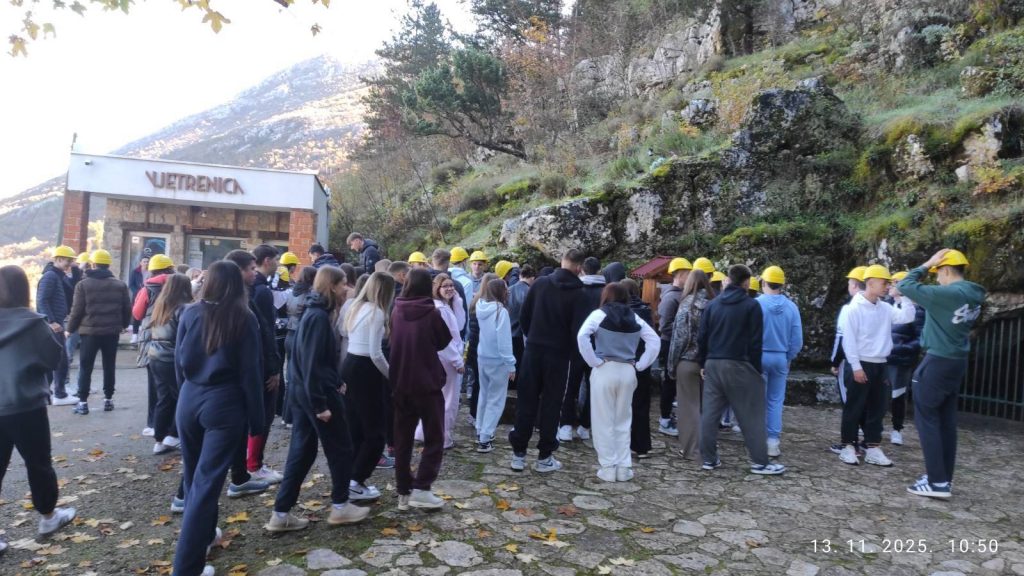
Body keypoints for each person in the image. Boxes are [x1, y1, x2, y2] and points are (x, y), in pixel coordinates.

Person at [173, 261, 265, 576]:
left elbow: (178, 362)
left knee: (194, 477)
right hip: (224, 404)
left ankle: (204, 536)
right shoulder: (244, 317)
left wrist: (184, 396)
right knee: (205, 484)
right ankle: (187, 568)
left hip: (190, 398)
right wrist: (257, 419)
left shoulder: (190, 313)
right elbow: (251, 373)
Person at [267, 266, 370, 532]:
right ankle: (340, 506)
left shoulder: (316, 313)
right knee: (341, 448)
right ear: (332, 286)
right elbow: (310, 363)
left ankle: (281, 513)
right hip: (316, 395)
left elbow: (317, 361)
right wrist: (320, 404)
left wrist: (336, 380)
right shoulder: (317, 317)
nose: (347, 289)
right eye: (343, 284)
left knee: (302, 452)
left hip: (306, 393)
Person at [0, 265, 78, 554]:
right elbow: (52, 359)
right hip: (26, 406)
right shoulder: (34, 324)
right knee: (38, 463)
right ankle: (48, 517)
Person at [899, 249, 985, 499]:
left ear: (946, 270)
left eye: (938, 273)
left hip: (937, 360)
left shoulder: (946, 294)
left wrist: (927, 263)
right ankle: (944, 478)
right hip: (956, 361)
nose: (936, 278)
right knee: (946, 421)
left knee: (926, 419)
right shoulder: (974, 294)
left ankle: (936, 482)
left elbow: (905, 284)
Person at [697, 265, 786, 475]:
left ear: (728, 279)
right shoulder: (751, 306)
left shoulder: (712, 305)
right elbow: (755, 342)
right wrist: (755, 369)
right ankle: (760, 462)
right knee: (751, 415)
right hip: (740, 364)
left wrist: (703, 363)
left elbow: (702, 337)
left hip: (713, 363)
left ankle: (709, 459)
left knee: (709, 414)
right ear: (746, 282)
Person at [509, 249, 592, 473]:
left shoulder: (540, 284)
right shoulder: (581, 295)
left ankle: (518, 453)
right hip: (559, 355)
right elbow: (579, 332)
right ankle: (545, 456)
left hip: (533, 350)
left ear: (562, 261)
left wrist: (534, 338)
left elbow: (524, 317)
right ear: (579, 268)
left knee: (526, 401)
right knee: (552, 404)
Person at [577, 282, 660, 482]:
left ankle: (608, 467)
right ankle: (624, 467)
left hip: (605, 369)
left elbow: (582, 335)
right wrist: (640, 365)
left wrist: (594, 361)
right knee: (623, 420)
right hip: (628, 371)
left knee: (603, 421)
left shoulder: (599, 314)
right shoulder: (635, 317)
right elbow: (654, 341)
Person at [837, 264, 916, 467]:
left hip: (880, 364)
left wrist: (904, 296)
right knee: (854, 407)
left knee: (878, 408)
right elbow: (849, 340)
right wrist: (856, 367)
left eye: (889, 283)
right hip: (860, 363)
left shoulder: (885, 307)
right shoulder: (853, 309)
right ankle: (848, 446)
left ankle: (873, 447)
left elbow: (907, 316)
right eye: (884, 282)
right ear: (870, 283)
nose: (887, 286)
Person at [389, 268, 454, 510]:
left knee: (403, 439)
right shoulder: (432, 313)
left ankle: (403, 489)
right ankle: (422, 487)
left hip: (401, 382)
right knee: (435, 436)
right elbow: (443, 341)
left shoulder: (396, 310)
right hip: (427, 382)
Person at [342, 271, 395, 502]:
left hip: (350, 365)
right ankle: (356, 480)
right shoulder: (377, 312)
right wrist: (392, 376)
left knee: (355, 426)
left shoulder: (355, 307)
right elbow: (375, 353)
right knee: (375, 431)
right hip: (366, 370)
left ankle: (351, 477)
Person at [66, 250, 132, 416]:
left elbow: (77, 311)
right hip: (111, 332)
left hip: (89, 333)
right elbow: (127, 308)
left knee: (85, 367)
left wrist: (70, 329)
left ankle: (83, 402)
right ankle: (108, 399)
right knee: (109, 365)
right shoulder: (120, 285)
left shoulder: (83, 285)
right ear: (108, 265)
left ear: (93, 264)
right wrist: (124, 325)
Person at [139, 274, 192, 455]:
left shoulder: (160, 305)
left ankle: (159, 439)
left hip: (155, 356)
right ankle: (175, 435)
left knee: (164, 398)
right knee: (182, 398)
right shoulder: (184, 308)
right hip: (172, 357)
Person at [245, 245, 284, 484]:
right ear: (267, 260)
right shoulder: (261, 291)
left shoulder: (249, 290)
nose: (278, 265)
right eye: (276, 260)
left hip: (252, 363)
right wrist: (274, 368)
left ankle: (249, 463)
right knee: (263, 415)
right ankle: (254, 465)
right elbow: (267, 332)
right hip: (262, 364)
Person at [757, 265, 803, 458]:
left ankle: (757, 438)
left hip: (759, 357)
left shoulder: (756, 304)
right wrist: (787, 357)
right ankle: (773, 442)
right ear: (782, 285)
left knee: (758, 399)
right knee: (775, 400)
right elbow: (797, 340)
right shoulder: (792, 307)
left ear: (763, 282)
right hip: (780, 357)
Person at [667, 270, 714, 461]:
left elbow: (679, 338)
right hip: (710, 362)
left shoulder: (687, 304)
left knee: (688, 408)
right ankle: (708, 448)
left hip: (688, 360)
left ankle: (691, 450)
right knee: (707, 407)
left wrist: (671, 365)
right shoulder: (714, 304)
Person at [558, 256, 605, 443]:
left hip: (575, 345)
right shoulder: (606, 291)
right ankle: (585, 426)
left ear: (582, 270)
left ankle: (565, 426)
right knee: (594, 388)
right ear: (599, 270)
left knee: (571, 387)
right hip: (599, 347)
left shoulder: (576, 290)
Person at [417, 273, 464, 449]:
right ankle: (442, 437)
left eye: (452, 285)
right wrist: (457, 361)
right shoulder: (440, 310)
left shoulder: (443, 306)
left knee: (435, 398)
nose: (450, 289)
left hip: (442, 357)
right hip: (446, 359)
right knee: (449, 400)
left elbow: (460, 325)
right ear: (437, 288)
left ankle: (423, 432)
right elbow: (445, 340)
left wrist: (457, 302)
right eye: (445, 286)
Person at [134, 254, 177, 436]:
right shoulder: (178, 286)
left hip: (151, 339)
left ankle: (153, 424)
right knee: (174, 388)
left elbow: (137, 314)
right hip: (173, 340)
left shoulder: (148, 288)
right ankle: (173, 428)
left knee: (154, 385)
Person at [828, 265, 867, 454]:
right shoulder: (878, 307)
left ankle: (851, 443)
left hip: (850, 363)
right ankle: (869, 441)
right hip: (870, 362)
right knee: (865, 402)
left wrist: (835, 362)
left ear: (854, 285)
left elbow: (841, 338)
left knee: (849, 402)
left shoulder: (849, 309)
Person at [474, 279, 515, 453]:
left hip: (483, 356)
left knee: (484, 395)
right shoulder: (501, 312)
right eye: (505, 288)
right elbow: (504, 342)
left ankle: (480, 430)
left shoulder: (480, 306)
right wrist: (511, 364)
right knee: (496, 400)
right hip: (498, 360)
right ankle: (485, 437)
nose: (508, 291)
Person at [885, 271, 925, 447]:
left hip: (901, 360)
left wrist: (902, 349)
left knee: (898, 395)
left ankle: (897, 429)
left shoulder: (918, 311)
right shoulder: (885, 305)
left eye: (895, 282)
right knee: (878, 394)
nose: (890, 285)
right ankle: (872, 425)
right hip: (882, 357)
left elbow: (920, 338)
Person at [656, 258, 693, 438]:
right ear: (680, 274)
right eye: (688, 273)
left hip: (677, 344)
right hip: (669, 344)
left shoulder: (680, 295)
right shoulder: (671, 297)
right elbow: (665, 326)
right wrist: (685, 334)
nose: (690, 277)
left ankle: (668, 416)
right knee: (669, 383)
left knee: (673, 383)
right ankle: (664, 420)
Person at [621, 278, 657, 459]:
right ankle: (641, 446)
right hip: (642, 363)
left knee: (620, 405)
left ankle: (621, 444)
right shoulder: (645, 310)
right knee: (641, 405)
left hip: (623, 362)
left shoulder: (621, 312)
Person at [37, 245, 76, 406]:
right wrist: (51, 321)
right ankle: (60, 394)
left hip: (55, 324)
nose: (70, 264)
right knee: (61, 360)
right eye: (68, 261)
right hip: (53, 325)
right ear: (59, 259)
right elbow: (42, 300)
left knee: (52, 361)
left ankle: (46, 393)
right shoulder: (50, 276)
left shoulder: (57, 276)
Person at [283, 267, 318, 428]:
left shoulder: (292, 292)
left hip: (289, 334)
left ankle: (286, 415)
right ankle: (293, 416)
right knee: (298, 376)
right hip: (300, 335)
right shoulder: (310, 294)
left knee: (291, 376)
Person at [507, 264, 536, 378]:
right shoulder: (530, 292)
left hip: (508, 332)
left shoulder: (509, 289)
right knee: (520, 365)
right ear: (532, 278)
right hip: (521, 334)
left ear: (520, 276)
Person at [129, 249, 151, 344]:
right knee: (136, 315)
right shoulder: (135, 272)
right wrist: (138, 292)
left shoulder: (151, 272)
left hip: (148, 296)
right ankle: (135, 335)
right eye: (144, 261)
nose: (146, 263)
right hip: (138, 297)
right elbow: (131, 285)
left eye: (147, 262)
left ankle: (145, 336)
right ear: (140, 263)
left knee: (147, 315)